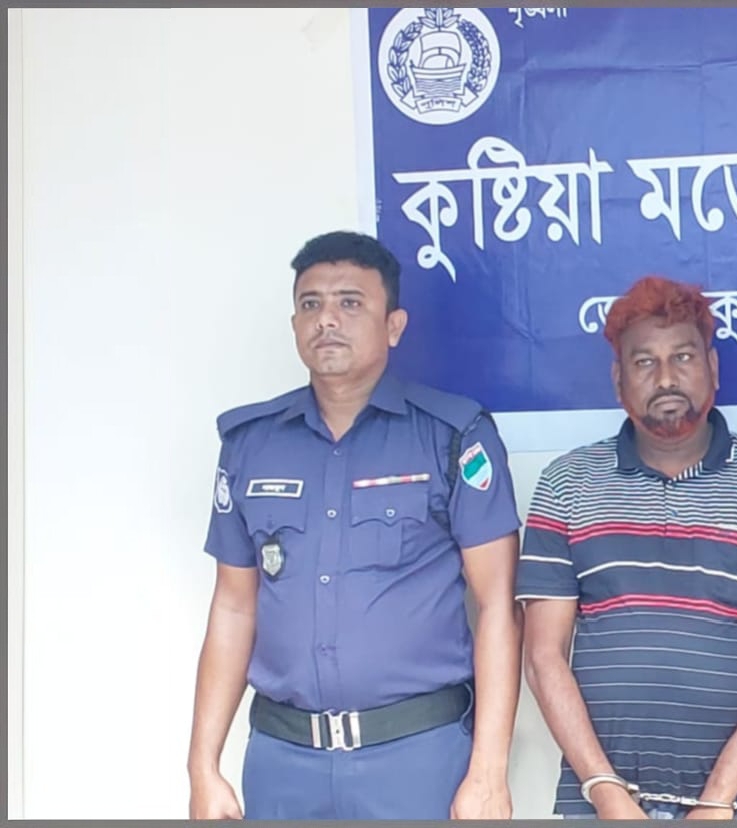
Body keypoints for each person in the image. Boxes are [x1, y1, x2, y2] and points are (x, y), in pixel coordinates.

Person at [186, 231, 524, 820]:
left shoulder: (452, 436)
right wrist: (203, 766)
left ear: (393, 326)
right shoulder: (250, 445)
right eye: (311, 304)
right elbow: (234, 607)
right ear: (295, 324)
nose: (327, 320)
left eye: (350, 302)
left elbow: (498, 605)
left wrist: (489, 773)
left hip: (416, 757)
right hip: (283, 761)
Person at [515, 275, 737, 820]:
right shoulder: (565, 484)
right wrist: (604, 789)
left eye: (683, 357)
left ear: (713, 367)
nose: (665, 377)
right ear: (618, 380)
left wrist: (718, 798)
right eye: (644, 361)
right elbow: (543, 656)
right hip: (601, 803)